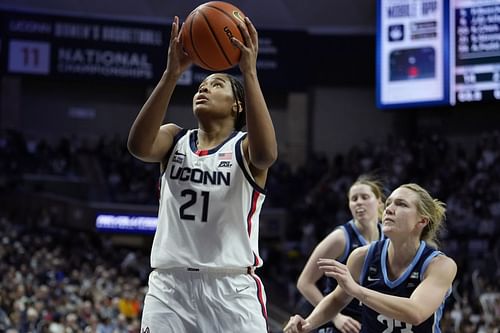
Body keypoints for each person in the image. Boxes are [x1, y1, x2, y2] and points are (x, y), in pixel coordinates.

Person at [127, 14, 277, 333]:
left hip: (230, 287)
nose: (204, 89)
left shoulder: (245, 147)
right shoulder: (173, 138)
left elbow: (268, 154)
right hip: (169, 287)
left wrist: (249, 71)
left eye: (217, 84)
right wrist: (171, 74)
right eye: (202, 85)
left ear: (237, 105)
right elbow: (139, 147)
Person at [284, 183, 457, 333]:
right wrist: (307, 324)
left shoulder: (440, 265)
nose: (389, 209)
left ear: (421, 221)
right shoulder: (361, 256)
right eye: (388, 203)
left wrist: (357, 290)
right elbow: (337, 299)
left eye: (401, 204)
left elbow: (416, 312)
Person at [297, 175, 385, 333]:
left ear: (379, 201)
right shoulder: (340, 238)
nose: (358, 202)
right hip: (341, 323)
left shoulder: (388, 236)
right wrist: (335, 316)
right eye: (354, 198)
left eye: (365, 197)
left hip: (372, 321)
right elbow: (305, 282)